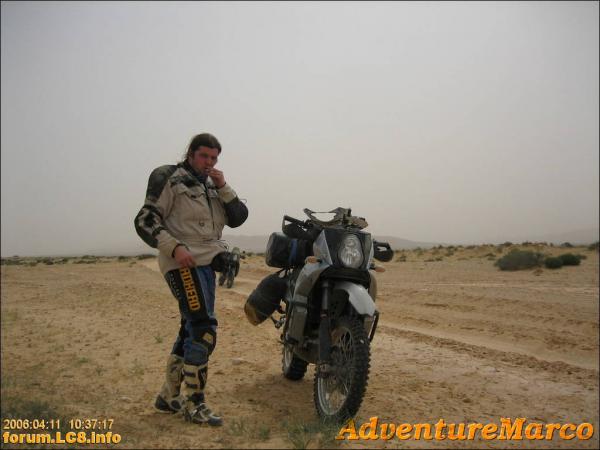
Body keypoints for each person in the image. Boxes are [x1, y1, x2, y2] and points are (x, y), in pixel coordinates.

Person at [134, 133, 248, 426]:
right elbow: (145, 219)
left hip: (207, 262)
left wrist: (223, 186)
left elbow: (238, 217)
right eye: (204, 156)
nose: (209, 162)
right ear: (191, 154)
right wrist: (174, 248)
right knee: (203, 329)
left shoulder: (212, 185)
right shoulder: (169, 177)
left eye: (214, 158)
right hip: (181, 261)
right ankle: (194, 403)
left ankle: (168, 397)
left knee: (190, 327)